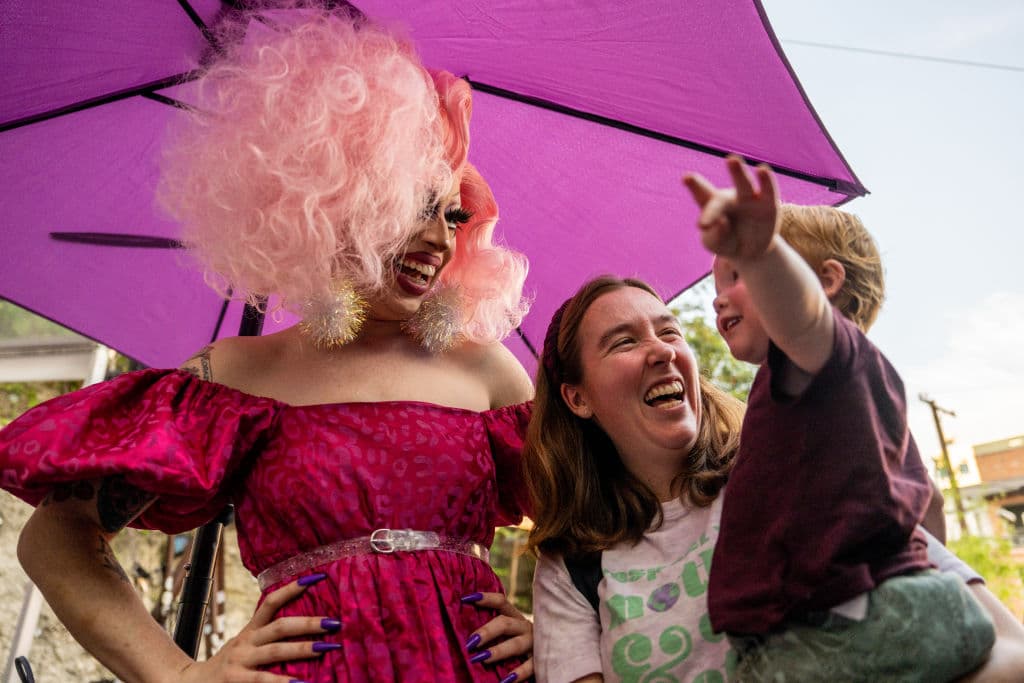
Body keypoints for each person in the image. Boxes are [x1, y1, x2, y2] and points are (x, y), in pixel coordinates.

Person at [0, 6, 534, 683]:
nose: (440, 239)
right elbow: (55, 538)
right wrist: (179, 674)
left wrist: (559, 628)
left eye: (453, 213)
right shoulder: (231, 380)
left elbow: (610, 524)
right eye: (414, 205)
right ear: (334, 197)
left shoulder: (487, 373)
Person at [523, 274, 1024, 682]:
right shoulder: (570, 569)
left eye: (670, 331)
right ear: (577, 398)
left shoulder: (797, 474)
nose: (661, 351)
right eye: (625, 342)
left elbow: (1009, 651)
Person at [683, 156, 997, 681]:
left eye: (737, 274)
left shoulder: (820, 355)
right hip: (888, 606)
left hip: (847, 620)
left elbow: (803, 316)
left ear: (825, 282)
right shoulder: (848, 388)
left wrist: (764, 255)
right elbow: (932, 501)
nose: (718, 298)